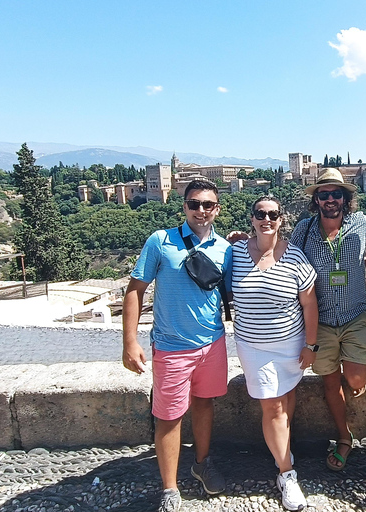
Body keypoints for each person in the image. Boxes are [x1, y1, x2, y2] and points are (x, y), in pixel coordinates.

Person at [122, 180, 232, 512]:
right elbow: (134, 290)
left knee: (204, 405)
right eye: (194, 204)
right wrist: (130, 341)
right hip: (171, 348)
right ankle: (169, 488)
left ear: (217, 209)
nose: (201, 210)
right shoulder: (160, 241)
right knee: (169, 417)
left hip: (212, 344)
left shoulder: (226, 249)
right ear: (183, 206)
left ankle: (201, 463)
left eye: (208, 205)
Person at [289, 168, 366, 471]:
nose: (330, 199)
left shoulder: (363, 224)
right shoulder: (304, 229)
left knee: (355, 379)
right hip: (321, 322)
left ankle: (349, 369)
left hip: (354, 315)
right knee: (330, 384)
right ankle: (344, 437)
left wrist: (365, 263)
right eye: (324, 194)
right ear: (316, 199)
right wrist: (244, 241)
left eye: (336, 193)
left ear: (345, 197)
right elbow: (284, 259)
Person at [231, 196, 318, 511]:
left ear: (282, 219)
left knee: (287, 397)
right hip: (254, 347)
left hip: (291, 346)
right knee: (275, 409)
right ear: (252, 218)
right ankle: (287, 474)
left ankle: (284, 449)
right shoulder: (236, 254)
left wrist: (310, 345)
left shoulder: (296, 258)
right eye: (260, 214)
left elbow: (309, 304)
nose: (266, 219)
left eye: (272, 214)